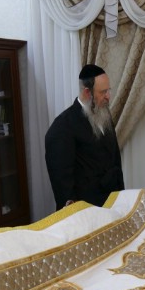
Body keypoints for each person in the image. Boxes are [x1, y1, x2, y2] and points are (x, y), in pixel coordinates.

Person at [45, 64, 124, 209]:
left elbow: (115, 161)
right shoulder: (63, 126)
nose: (108, 96)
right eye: (103, 92)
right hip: (87, 209)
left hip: (112, 203)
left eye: (109, 90)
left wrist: (121, 197)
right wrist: (75, 212)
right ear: (87, 92)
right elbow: (62, 182)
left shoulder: (104, 114)